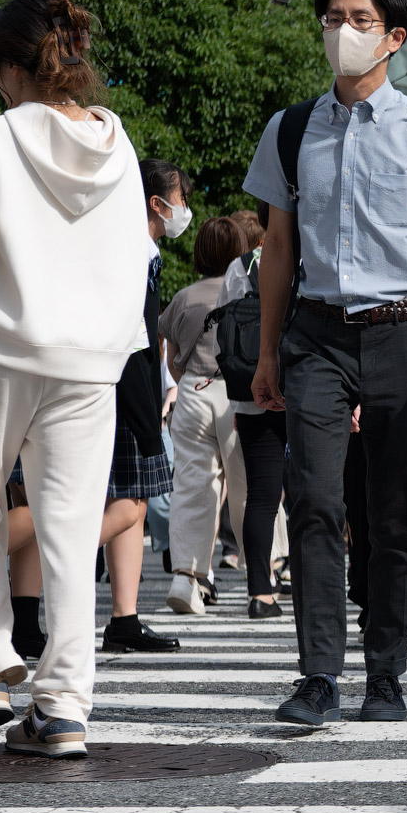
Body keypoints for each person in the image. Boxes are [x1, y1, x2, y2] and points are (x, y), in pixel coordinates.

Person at [244, 0, 407, 727]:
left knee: (395, 515)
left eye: (358, 20)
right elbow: (278, 248)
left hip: (406, 335)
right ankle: (318, 674)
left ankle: (384, 673)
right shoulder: (290, 130)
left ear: (393, 38)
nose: (341, 32)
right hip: (316, 336)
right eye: (331, 18)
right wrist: (264, 352)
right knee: (314, 499)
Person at [0, 0, 158, 756]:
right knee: (73, 532)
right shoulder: (117, 142)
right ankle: (64, 707)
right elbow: (137, 252)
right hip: (92, 359)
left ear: (9, 68)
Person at [98, 158, 191, 655]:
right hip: (121, 394)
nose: (185, 210)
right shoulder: (136, 249)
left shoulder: (139, 247)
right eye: (181, 200)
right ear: (156, 203)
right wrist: (146, 415)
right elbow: (134, 342)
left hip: (122, 393)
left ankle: (124, 618)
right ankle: (61, 553)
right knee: (129, 503)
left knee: (130, 505)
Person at [160, 215, 252, 616]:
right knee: (251, 487)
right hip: (237, 397)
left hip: (194, 393)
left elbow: (172, 359)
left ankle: (186, 576)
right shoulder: (247, 291)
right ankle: (265, 573)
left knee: (193, 489)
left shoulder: (183, 297)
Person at [217, 214, 288, 618]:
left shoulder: (238, 267)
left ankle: (260, 592)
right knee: (311, 490)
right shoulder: (305, 256)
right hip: (304, 386)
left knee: (261, 494)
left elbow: (222, 324)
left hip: (250, 392)